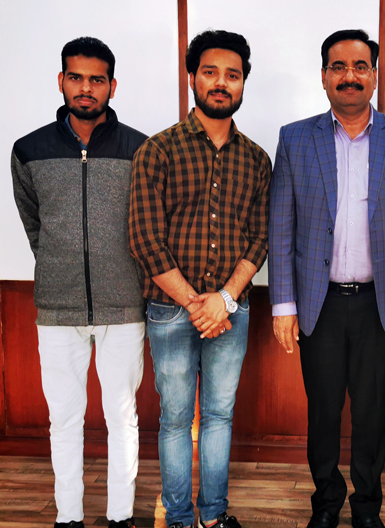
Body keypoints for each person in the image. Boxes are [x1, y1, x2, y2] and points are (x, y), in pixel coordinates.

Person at [269, 29, 385, 528]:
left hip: (379, 302)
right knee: (322, 411)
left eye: (360, 66)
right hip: (317, 301)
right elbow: (282, 224)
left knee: (369, 413)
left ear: (374, 75)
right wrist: (283, 304)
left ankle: (367, 507)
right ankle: (325, 504)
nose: (349, 76)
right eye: (338, 67)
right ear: (324, 76)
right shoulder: (295, 138)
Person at [129, 29, 271, 528]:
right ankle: (179, 518)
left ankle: (213, 515)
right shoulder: (158, 150)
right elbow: (145, 239)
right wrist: (197, 303)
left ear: (243, 83)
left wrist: (225, 299)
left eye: (233, 75)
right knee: (174, 419)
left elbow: (260, 236)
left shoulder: (256, 159)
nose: (221, 83)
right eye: (210, 72)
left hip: (231, 311)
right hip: (170, 311)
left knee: (219, 415)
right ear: (192, 77)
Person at [11, 37, 146, 528]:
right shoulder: (29, 150)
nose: (85, 88)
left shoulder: (140, 148)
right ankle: (67, 518)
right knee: (63, 419)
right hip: (58, 307)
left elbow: (146, 224)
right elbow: (35, 225)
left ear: (112, 85)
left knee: (122, 418)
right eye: (76, 77)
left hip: (123, 304)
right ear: (61, 81)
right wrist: (58, 263)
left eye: (96, 79)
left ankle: (120, 517)